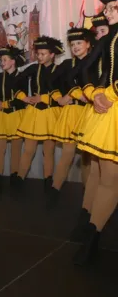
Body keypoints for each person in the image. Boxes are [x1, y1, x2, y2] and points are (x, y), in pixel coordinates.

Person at [73, 0, 118, 265]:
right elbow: (84, 70)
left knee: (109, 178)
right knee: (104, 174)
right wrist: (94, 93)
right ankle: (92, 232)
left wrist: (107, 92)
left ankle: (91, 235)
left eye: (113, 7)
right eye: (108, 8)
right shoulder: (107, 39)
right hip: (108, 111)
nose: (108, 12)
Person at [47, 26, 95, 206]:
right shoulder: (67, 64)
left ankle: (88, 198)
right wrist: (59, 97)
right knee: (67, 153)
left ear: (88, 44)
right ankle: (55, 190)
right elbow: (50, 81)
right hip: (72, 113)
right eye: (72, 44)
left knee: (86, 158)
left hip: (90, 113)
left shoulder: (96, 61)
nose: (75, 47)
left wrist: (79, 94)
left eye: (79, 43)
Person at [15, 36, 64, 191]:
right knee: (28, 149)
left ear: (52, 54)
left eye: (43, 54)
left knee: (48, 151)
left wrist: (43, 98)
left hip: (51, 113)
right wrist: (24, 97)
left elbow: (63, 94)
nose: (40, 57)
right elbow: (16, 82)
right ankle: (19, 178)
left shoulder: (59, 70)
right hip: (34, 113)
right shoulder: (33, 68)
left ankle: (48, 180)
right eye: (38, 54)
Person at [0, 46, 27, 193]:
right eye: (1, 60)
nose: (2, 63)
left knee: (16, 149)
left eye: (5, 60)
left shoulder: (22, 77)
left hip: (17, 115)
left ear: (13, 61)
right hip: (2, 117)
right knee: (0, 149)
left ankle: (14, 177)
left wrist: (3, 104)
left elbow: (21, 100)